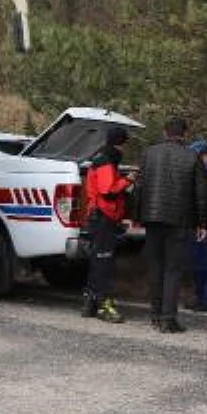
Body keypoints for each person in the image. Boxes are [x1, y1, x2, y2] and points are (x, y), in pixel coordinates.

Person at [135, 117, 207, 333]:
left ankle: (155, 315)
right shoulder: (192, 156)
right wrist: (202, 222)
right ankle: (168, 318)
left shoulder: (149, 154)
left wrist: (136, 215)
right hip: (179, 220)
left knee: (156, 266)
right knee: (173, 269)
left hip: (151, 218)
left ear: (165, 133)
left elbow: (139, 186)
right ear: (184, 134)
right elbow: (201, 194)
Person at [80, 126, 136, 323]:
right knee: (104, 262)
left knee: (98, 261)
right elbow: (108, 191)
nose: (124, 150)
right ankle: (105, 306)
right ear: (119, 143)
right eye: (124, 144)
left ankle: (89, 303)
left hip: (99, 216)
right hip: (104, 217)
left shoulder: (100, 158)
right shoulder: (105, 161)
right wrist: (127, 181)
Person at [185, 139, 207, 313]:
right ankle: (201, 297)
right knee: (198, 264)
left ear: (205, 156)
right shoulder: (196, 173)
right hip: (196, 225)